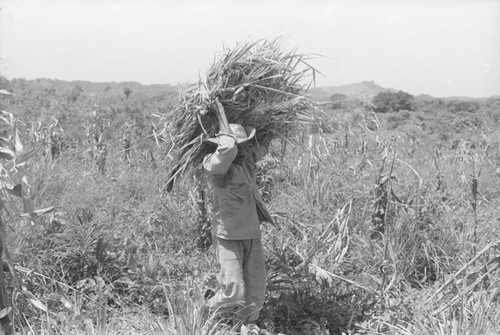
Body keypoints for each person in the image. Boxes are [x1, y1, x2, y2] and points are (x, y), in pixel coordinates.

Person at [202, 99, 274, 328]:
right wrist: (220, 112)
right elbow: (228, 148)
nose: (244, 149)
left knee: (255, 293)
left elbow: (263, 145)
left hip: (251, 233)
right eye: (240, 145)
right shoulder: (214, 166)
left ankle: (242, 326)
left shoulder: (247, 160)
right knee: (233, 292)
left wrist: (273, 123)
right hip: (228, 236)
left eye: (245, 144)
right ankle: (205, 309)